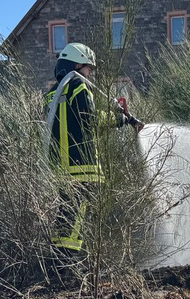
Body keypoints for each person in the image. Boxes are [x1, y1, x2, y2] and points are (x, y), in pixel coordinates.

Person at [44, 42, 143, 254]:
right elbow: (90, 120)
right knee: (79, 214)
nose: (91, 74)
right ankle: (70, 262)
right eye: (89, 68)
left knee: (66, 214)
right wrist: (120, 119)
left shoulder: (52, 94)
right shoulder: (79, 86)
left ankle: (57, 259)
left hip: (59, 167)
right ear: (77, 66)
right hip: (83, 165)